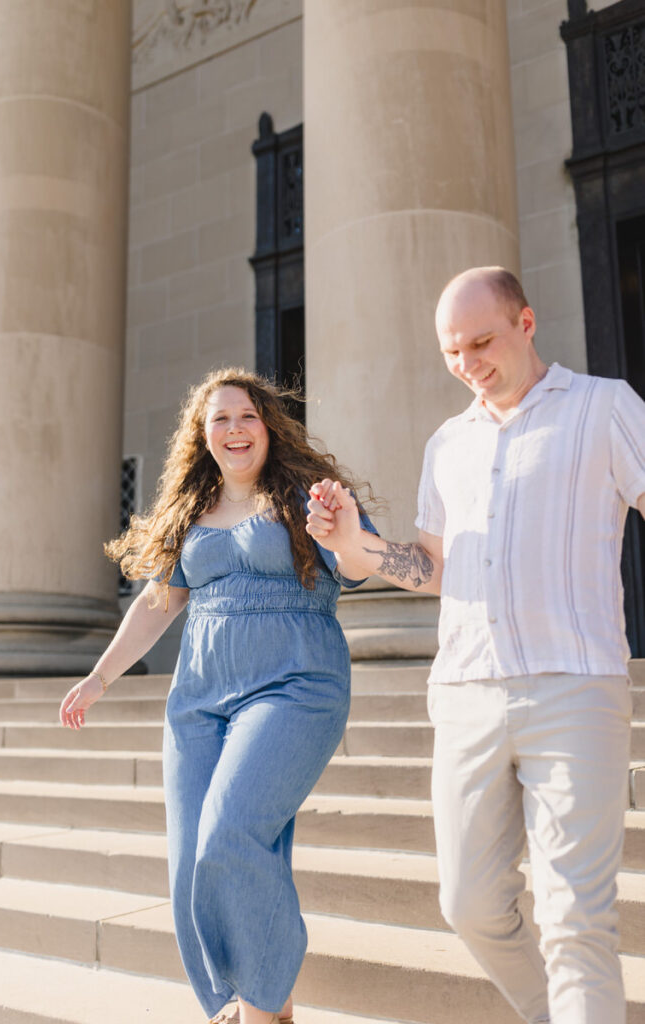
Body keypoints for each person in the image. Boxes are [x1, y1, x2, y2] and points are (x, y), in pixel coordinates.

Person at [306, 266, 645, 1024]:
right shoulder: (447, 443)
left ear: (526, 323)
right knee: (468, 904)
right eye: (451, 351)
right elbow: (433, 566)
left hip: (574, 688)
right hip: (465, 694)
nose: (467, 364)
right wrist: (353, 543)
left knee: (574, 918)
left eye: (481, 343)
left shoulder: (604, 407)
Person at [59, 368, 376, 1024]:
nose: (234, 429)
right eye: (220, 419)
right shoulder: (191, 509)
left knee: (229, 833)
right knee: (190, 863)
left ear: (268, 426)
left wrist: (344, 536)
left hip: (293, 683)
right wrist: (99, 677)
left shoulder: (304, 495)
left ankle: (258, 1006)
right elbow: (158, 602)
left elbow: (356, 565)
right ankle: (257, 1001)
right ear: (201, 436)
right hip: (199, 696)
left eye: (247, 416)